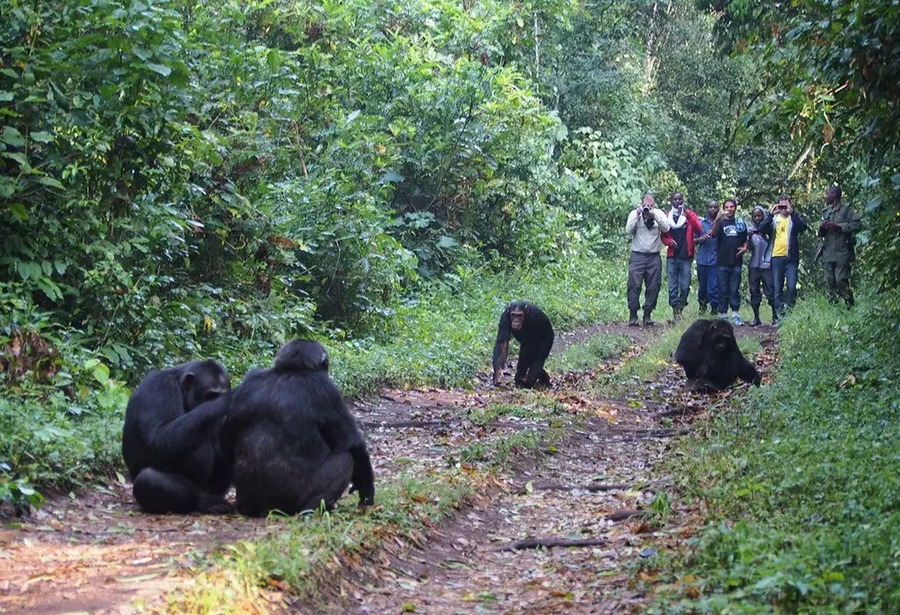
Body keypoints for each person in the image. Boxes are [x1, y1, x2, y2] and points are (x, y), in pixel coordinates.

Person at [626, 191, 671, 327]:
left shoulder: (658, 213)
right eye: (646, 205)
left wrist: (654, 215)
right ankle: (633, 314)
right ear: (642, 203)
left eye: (650, 206)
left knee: (653, 286)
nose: (648, 208)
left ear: (654, 205)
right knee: (633, 285)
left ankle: (647, 314)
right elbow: (628, 230)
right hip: (637, 255)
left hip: (653, 256)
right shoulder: (635, 214)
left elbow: (666, 228)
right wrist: (638, 214)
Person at [759, 194, 807, 321]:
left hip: (791, 258)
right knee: (777, 289)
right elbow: (761, 229)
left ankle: (789, 315)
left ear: (790, 205)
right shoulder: (774, 219)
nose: (783, 209)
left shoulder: (793, 219)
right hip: (776, 257)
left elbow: (803, 228)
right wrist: (770, 214)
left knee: (791, 287)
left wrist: (793, 213)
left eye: (786, 206)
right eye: (781, 206)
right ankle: (779, 317)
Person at [661, 192, 702, 323]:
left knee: (685, 286)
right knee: (672, 287)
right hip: (672, 257)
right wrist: (668, 242)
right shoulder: (667, 216)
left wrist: (688, 215)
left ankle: (680, 307)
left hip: (686, 256)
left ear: (682, 200)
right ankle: (676, 312)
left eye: (680, 199)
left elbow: (698, 228)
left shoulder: (689, 215)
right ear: (671, 201)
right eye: (675, 199)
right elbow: (663, 235)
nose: (677, 201)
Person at [817, 184, 861, 307]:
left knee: (841, 280)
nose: (826, 196)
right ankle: (833, 309)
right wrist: (822, 227)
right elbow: (820, 234)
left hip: (842, 251)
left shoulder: (847, 210)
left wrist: (838, 225)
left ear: (834, 195)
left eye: (828, 194)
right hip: (828, 251)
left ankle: (849, 305)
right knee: (829, 282)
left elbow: (857, 225)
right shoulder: (826, 211)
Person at [709, 198, 748, 325]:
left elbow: (745, 238)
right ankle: (723, 314)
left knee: (734, 290)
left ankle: (735, 314)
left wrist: (745, 248)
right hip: (722, 262)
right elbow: (713, 233)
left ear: (735, 208)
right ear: (723, 209)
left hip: (736, 261)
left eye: (731, 207)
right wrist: (717, 219)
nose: (729, 209)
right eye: (727, 207)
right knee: (722, 290)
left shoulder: (740, 222)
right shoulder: (720, 222)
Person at [746, 205, 775, 326]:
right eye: (755, 216)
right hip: (753, 265)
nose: (757, 218)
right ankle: (756, 317)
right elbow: (748, 247)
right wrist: (749, 237)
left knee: (770, 291)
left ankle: (775, 316)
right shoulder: (749, 230)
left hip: (766, 265)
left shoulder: (769, 227)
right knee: (754, 291)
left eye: (759, 215)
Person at [695, 200, 720, 315]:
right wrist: (700, 239)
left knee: (713, 287)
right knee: (702, 288)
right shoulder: (700, 223)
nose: (713, 209)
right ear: (707, 208)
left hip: (715, 261)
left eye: (715, 207)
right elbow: (692, 240)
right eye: (711, 207)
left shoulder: (721, 224)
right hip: (702, 260)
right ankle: (702, 307)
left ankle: (714, 309)